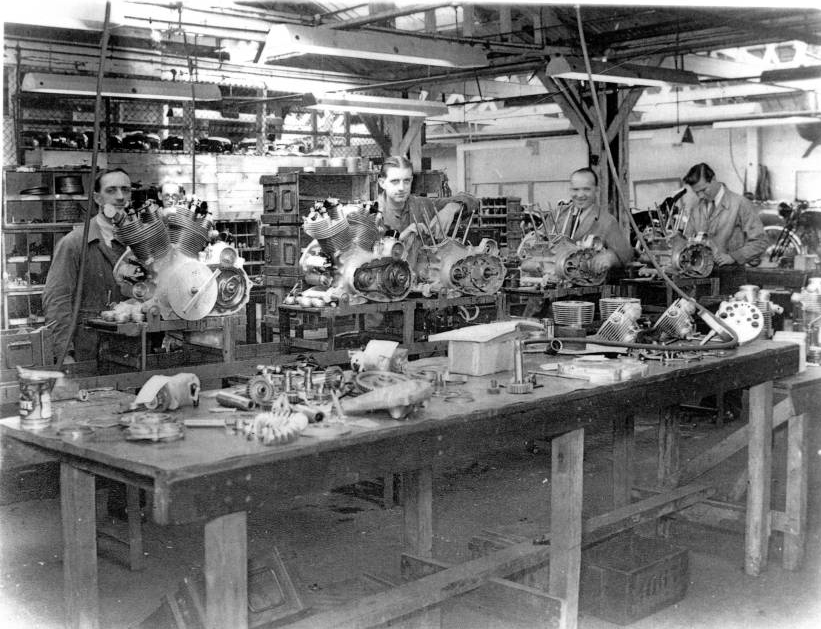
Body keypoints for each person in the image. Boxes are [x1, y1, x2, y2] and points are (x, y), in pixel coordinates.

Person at [43, 168, 131, 363]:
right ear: (97, 198)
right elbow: (57, 301)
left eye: (125, 190)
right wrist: (64, 353)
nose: (120, 197)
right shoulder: (74, 243)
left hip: (131, 347)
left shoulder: (137, 243)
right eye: (111, 190)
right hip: (89, 350)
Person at [681, 162, 768, 266]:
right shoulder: (696, 208)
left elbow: (760, 241)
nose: (700, 196)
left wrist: (734, 257)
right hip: (702, 272)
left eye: (703, 190)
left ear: (713, 179)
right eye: (696, 192)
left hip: (731, 272)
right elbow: (687, 239)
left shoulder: (740, 203)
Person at [552, 167, 634, 274]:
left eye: (586, 189)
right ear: (570, 190)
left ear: (597, 190)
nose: (580, 195)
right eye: (575, 190)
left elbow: (626, 256)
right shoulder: (557, 215)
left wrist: (611, 257)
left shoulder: (607, 221)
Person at [376, 156, 480, 238]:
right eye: (395, 181)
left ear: (411, 180)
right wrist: (402, 237)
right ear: (382, 183)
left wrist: (450, 208)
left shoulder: (423, 205)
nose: (401, 188)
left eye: (406, 181)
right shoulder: (372, 215)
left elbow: (471, 200)